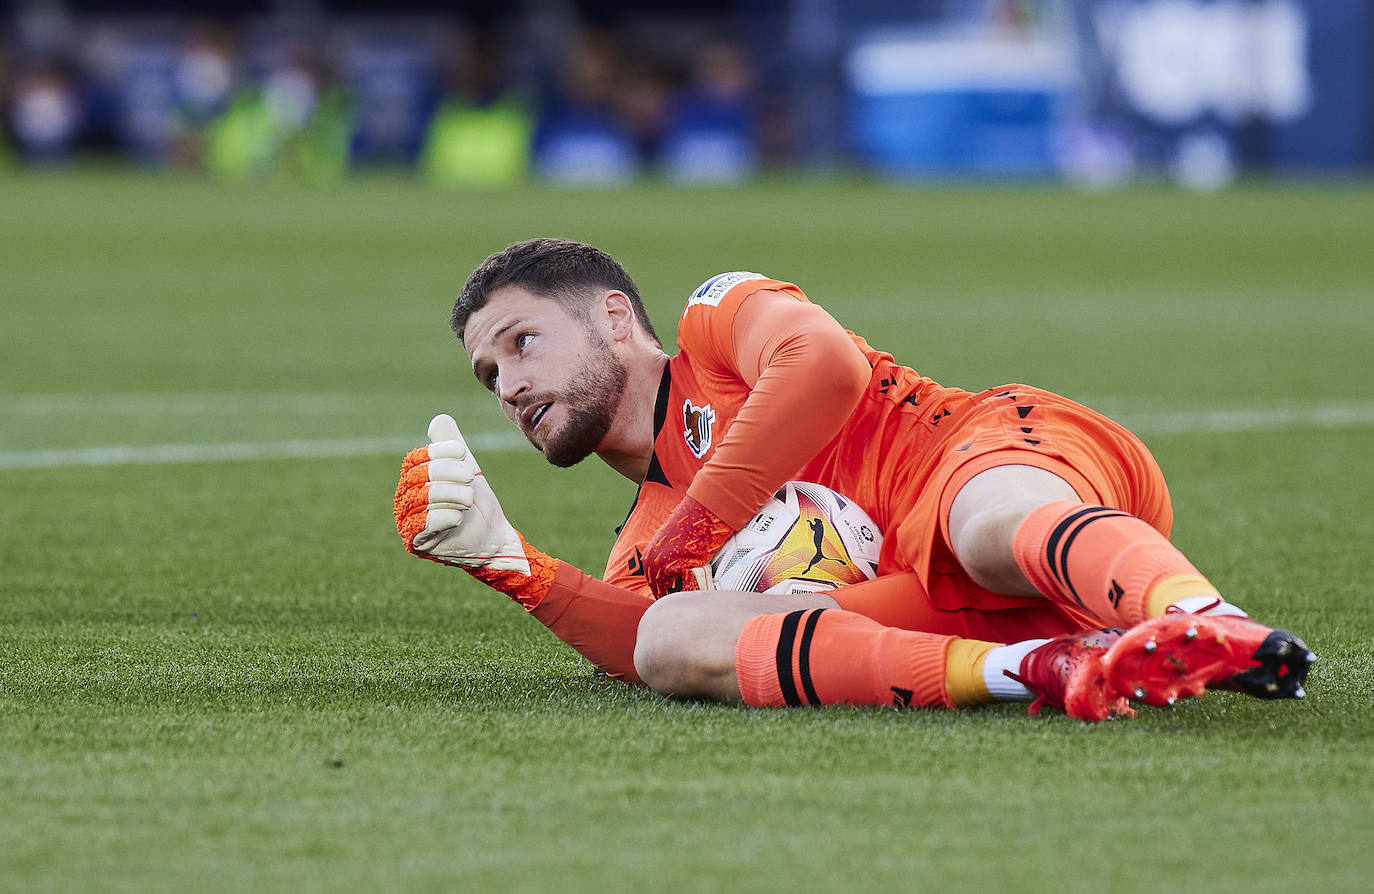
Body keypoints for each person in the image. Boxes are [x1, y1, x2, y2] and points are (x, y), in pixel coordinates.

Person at [393, 238, 1314, 722]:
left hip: (987, 456)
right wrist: (505, 563)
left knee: (986, 527)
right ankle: (1041, 670)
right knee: (674, 635)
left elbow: (823, 365)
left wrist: (706, 519)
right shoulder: (649, 534)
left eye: (522, 344)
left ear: (614, 315)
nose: (510, 386)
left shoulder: (717, 317)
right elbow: (643, 649)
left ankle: (1208, 623)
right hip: (945, 610)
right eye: (489, 377)